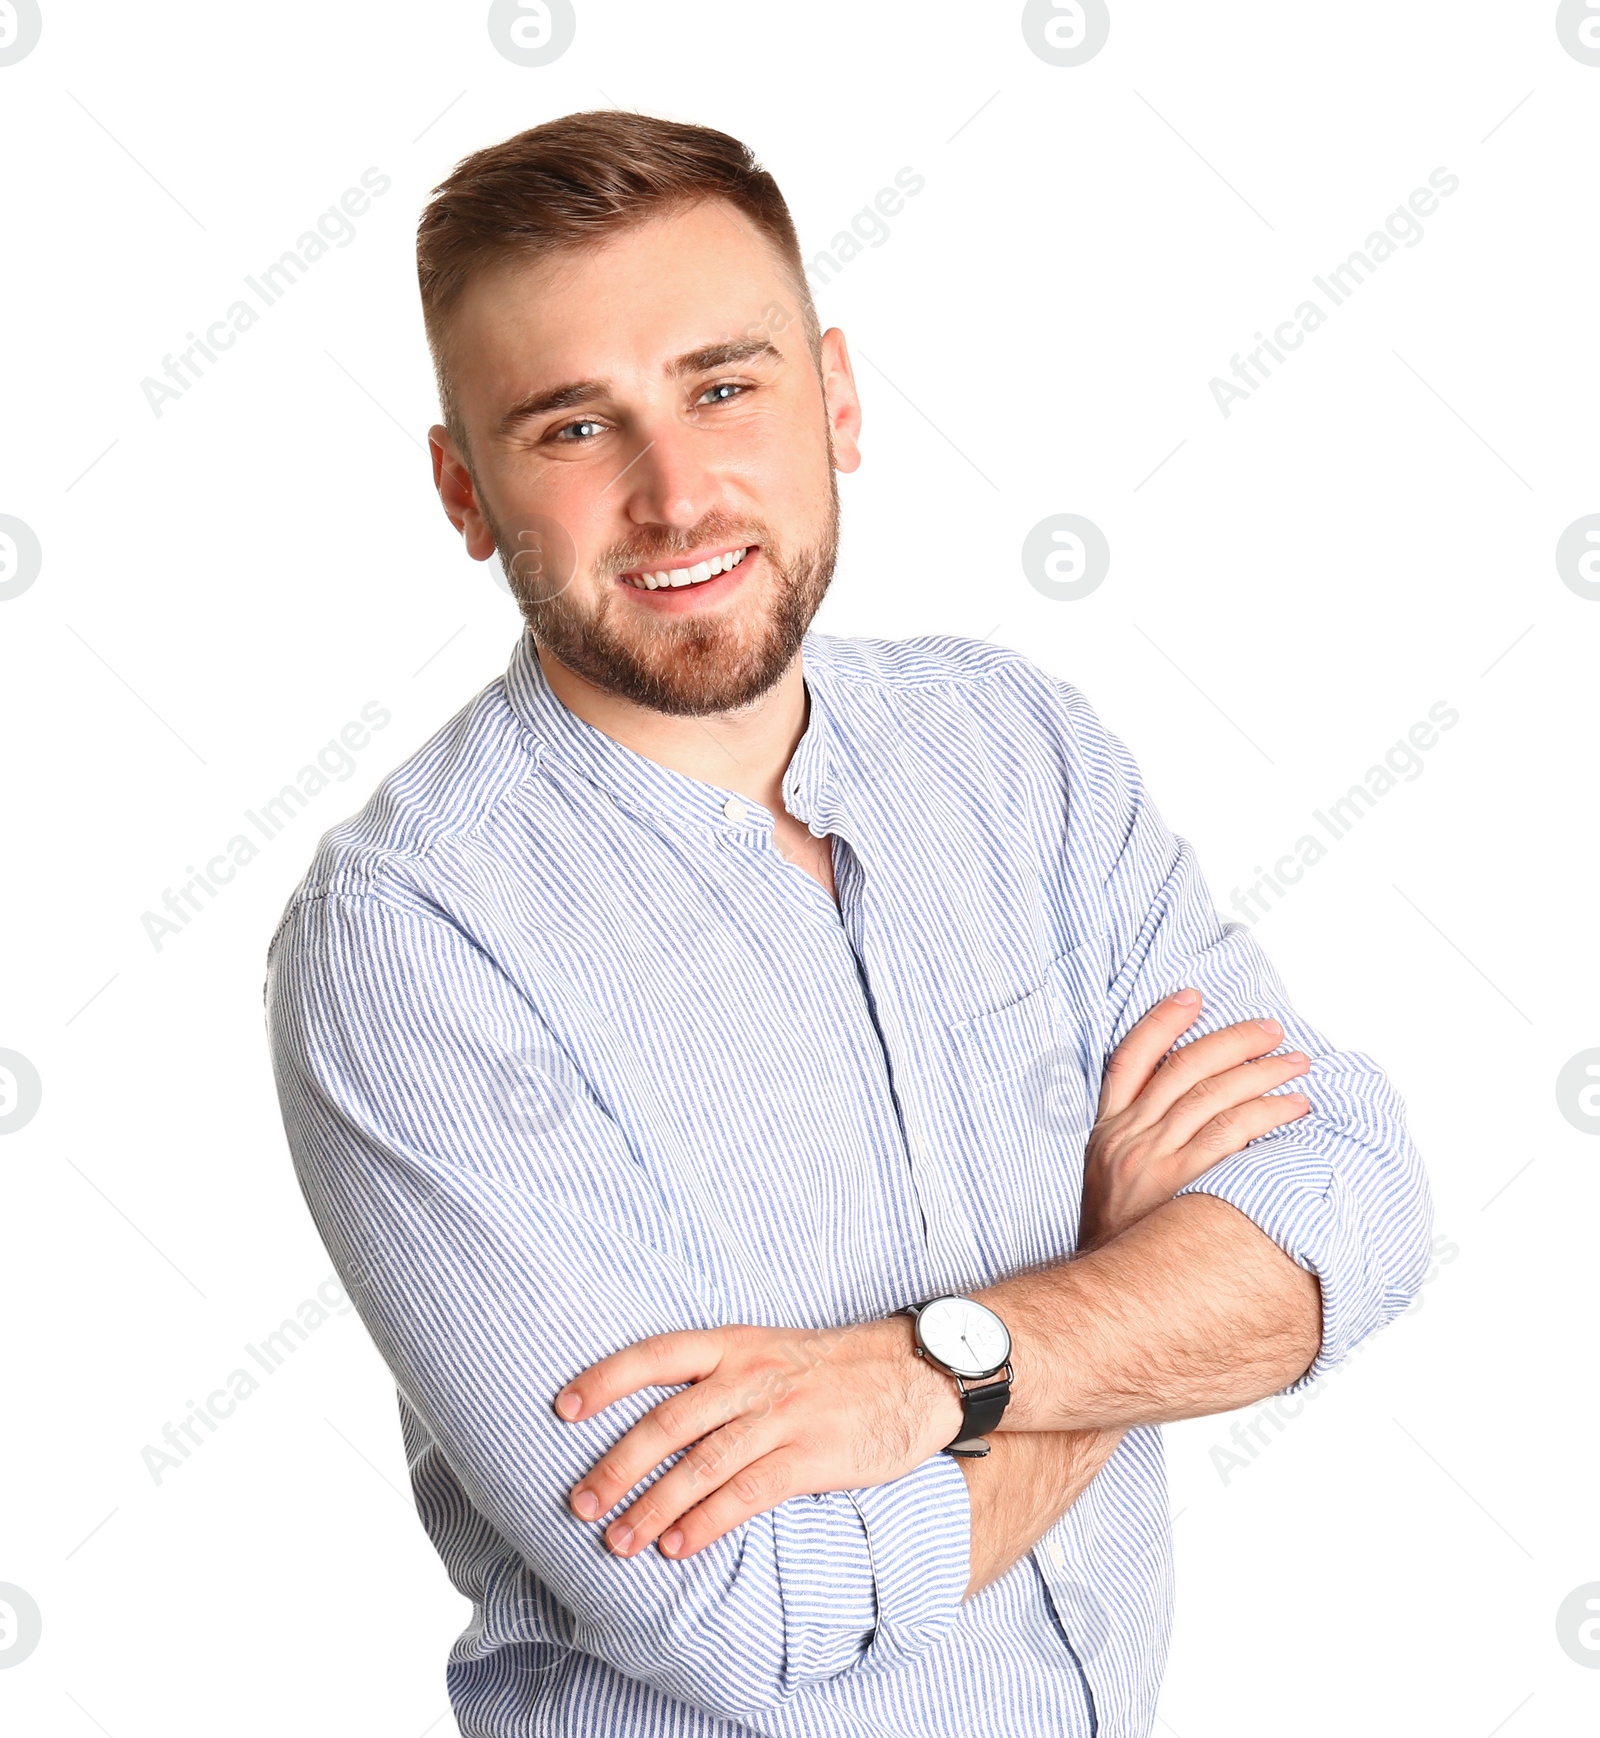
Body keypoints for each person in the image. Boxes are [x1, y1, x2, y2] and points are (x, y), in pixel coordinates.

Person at [265, 110, 1432, 1737]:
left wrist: (929, 1376)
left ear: (841, 397)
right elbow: (759, 1610)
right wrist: (1124, 1290)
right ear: (465, 490)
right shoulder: (411, 944)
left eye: (724, 388)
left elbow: (1355, 1210)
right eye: (573, 428)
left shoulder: (1015, 753)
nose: (677, 496)